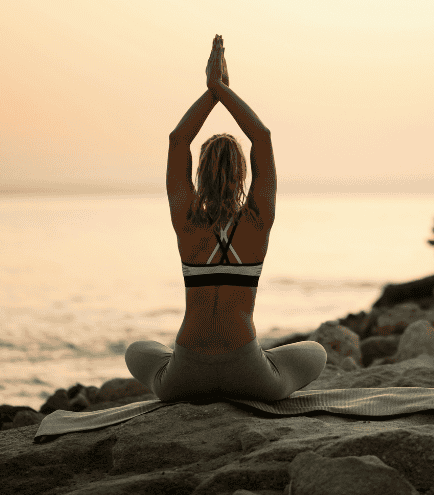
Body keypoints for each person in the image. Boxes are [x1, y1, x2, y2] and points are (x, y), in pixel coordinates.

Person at [124, 35, 327, 402]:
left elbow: (176, 140)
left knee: (138, 350)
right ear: (243, 174)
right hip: (246, 371)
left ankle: (178, 371)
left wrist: (210, 92)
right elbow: (261, 137)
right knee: (315, 352)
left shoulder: (186, 222)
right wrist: (222, 88)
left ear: (198, 175)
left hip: (186, 376)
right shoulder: (258, 221)